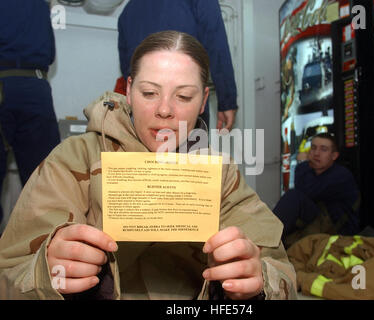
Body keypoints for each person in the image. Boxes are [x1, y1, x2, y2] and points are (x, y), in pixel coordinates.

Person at [0, 31, 296, 300]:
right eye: (149, 93)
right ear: (128, 91)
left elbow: (282, 274)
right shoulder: (73, 159)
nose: (164, 109)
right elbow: (8, 276)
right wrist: (45, 274)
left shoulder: (220, 174)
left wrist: (259, 283)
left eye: (183, 96)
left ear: (204, 100)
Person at [117, 0, 238, 131]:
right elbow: (217, 48)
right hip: (186, 111)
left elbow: (127, 69)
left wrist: (148, 93)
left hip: (143, 111)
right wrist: (227, 102)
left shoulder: (129, 10)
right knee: (190, 149)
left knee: (143, 150)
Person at [0, 0, 61, 229]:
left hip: (13, 80)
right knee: (44, 184)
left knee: (44, 183)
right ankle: (43, 254)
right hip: (35, 85)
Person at [273, 133, 360, 248]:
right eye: (313, 148)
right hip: (317, 223)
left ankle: (267, 237)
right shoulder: (307, 169)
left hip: (338, 229)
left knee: (293, 196)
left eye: (323, 149)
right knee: (293, 198)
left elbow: (307, 192)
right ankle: (267, 237)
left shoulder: (341, 175)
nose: (316, 153)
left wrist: (303, 163)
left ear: (334, 156)